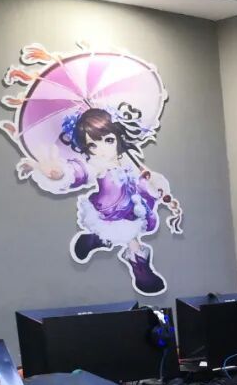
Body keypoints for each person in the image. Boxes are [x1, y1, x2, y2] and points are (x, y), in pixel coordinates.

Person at [19, 105, 181, 295]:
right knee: (128, 236)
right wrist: (59, 173)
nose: (102, 149)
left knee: (130, 230)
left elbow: (148, 179)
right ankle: (140, 268)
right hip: (111, 209)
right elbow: (79, 172)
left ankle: (97, 240)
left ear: (118, 136)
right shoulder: (97, 165)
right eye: (93, 145)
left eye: (108, 140)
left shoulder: (130, 161)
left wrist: (160, 191)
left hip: (135, 206)